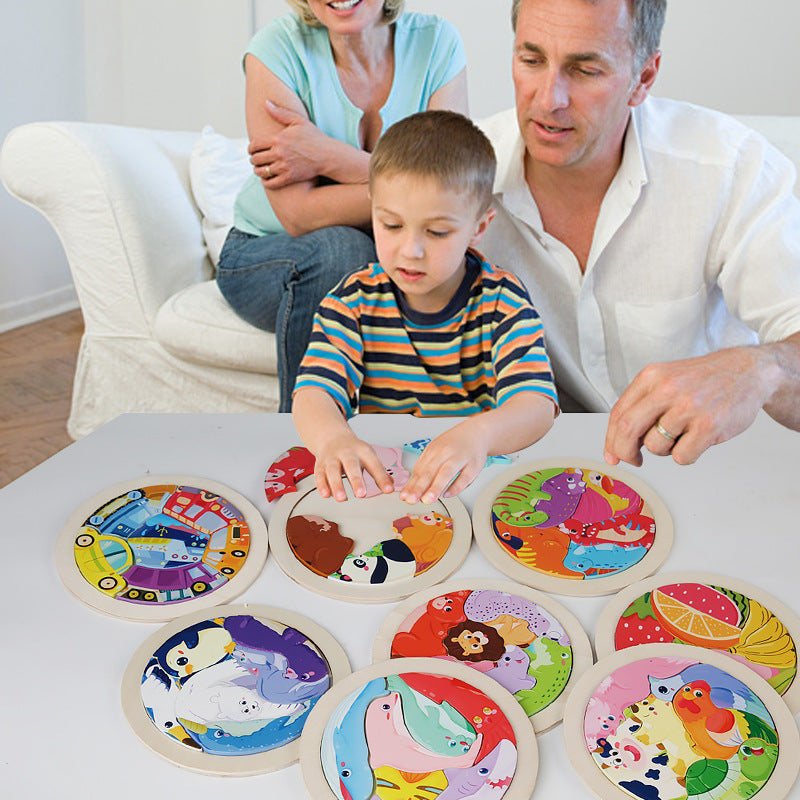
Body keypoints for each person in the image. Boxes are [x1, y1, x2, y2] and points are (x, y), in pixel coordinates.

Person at [478, 0, 800, 468]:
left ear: (643, 78)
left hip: (715, 470)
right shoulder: (464, 181)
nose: (549, 99)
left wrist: (763, 367)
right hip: (546, 477)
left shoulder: (730, 168)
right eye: (531, 60)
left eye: (585, 70)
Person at [292, 111, 559, 504]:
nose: (410, 250)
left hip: (473, 481)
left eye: (437, 232)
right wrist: (334, 438)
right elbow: (314, 392)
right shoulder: (352, 301)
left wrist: (478, 434)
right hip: (387, 488)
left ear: (479, 227)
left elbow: (536, 404)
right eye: (392, 225)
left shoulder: (503, 301)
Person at [216, 0, 469, 412]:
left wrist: (330, 156)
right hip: (263, 254)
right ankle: (304, 442)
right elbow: (298, 214)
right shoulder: (276, 50)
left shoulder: (436, 44)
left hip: (383, 250)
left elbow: (454, 190)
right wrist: (417, 188)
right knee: (343, 251)